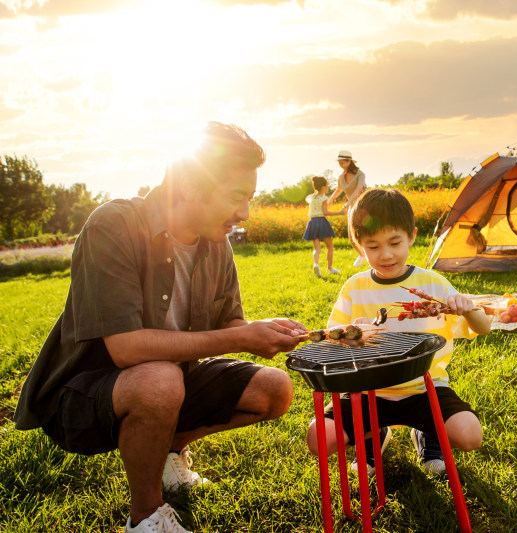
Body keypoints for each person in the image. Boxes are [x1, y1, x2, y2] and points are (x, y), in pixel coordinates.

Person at [14, 122, 308, 533]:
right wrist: (241, 336)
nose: (244, 213)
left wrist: (261, 330)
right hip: (80, 396)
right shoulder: (113, 225)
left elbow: (230, 323)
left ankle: (171, 451)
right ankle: (146, 517)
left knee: (274, 390)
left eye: (250, 198)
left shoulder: (216, 242)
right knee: (160, 380)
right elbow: (126, 349)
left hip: (172, 382)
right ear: (189, 184)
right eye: (236, 197)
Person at [304, 188, 492, 476]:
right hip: (367, 390)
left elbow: (484, 328)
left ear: (412, 236)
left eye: (395, 242)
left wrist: (468, 309)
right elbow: (334, 336)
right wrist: (349, 333)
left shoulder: (433, 283)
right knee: (318, 440)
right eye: (373, 246)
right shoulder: (355, 287)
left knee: (470, 435)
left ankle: (426, 433)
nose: (386, 254)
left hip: (424, 387)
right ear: (359, 245)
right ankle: (373, 435)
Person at [328, 150, 367, 267]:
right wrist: (331, 199)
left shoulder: (360, 174)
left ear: (349, 161)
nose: (341, 164)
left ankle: (371, 257)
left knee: (366, 233)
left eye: (343, 162)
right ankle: (362, 255)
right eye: (339, 162)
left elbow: (358, 189)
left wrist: (348, 203)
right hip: (351, 206)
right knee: (351, 236)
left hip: (364, 205)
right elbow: (339, 190)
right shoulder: (341, 177)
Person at [303, 176, 344, 278]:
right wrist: (339, 212)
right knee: (329, 247)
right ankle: (330, 268)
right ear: (323, 187)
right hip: (321, 222)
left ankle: (316, 264)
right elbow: (325, 212)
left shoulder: (311, 197)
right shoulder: (324, 198)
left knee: (317, 249)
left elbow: (307, 198)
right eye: (327, 184)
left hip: (312, 223)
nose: (328, 186)